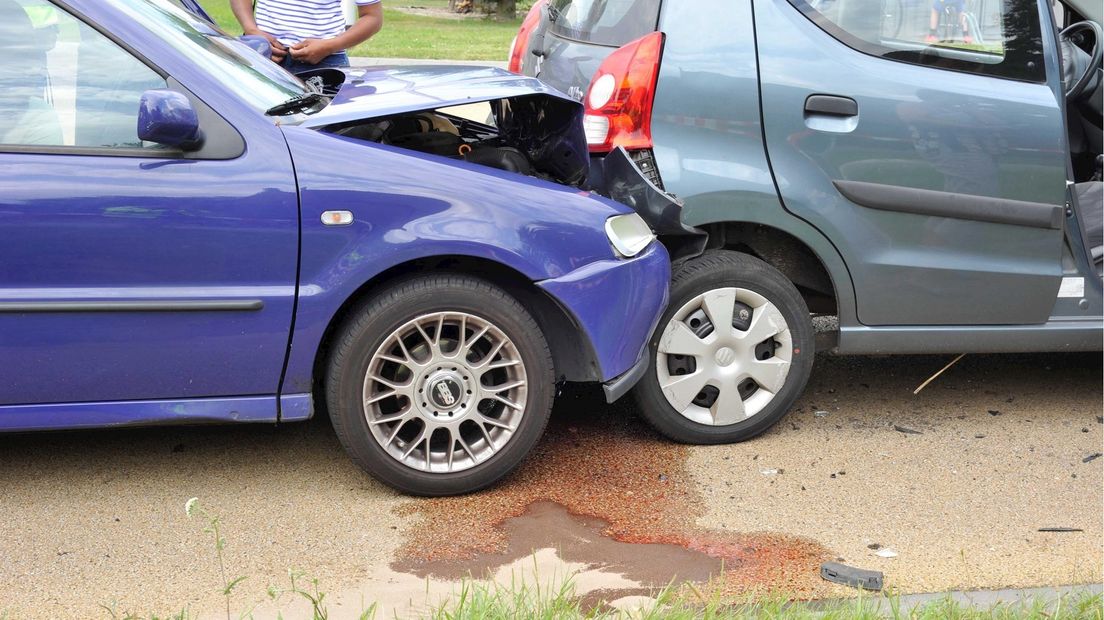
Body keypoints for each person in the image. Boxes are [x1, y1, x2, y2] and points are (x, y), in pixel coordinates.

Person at [230, 0, 383, 73]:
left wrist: (329, 46)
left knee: (322, 134)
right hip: (264, 57)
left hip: (325, 63)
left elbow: (372, 17)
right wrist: (250, 28)